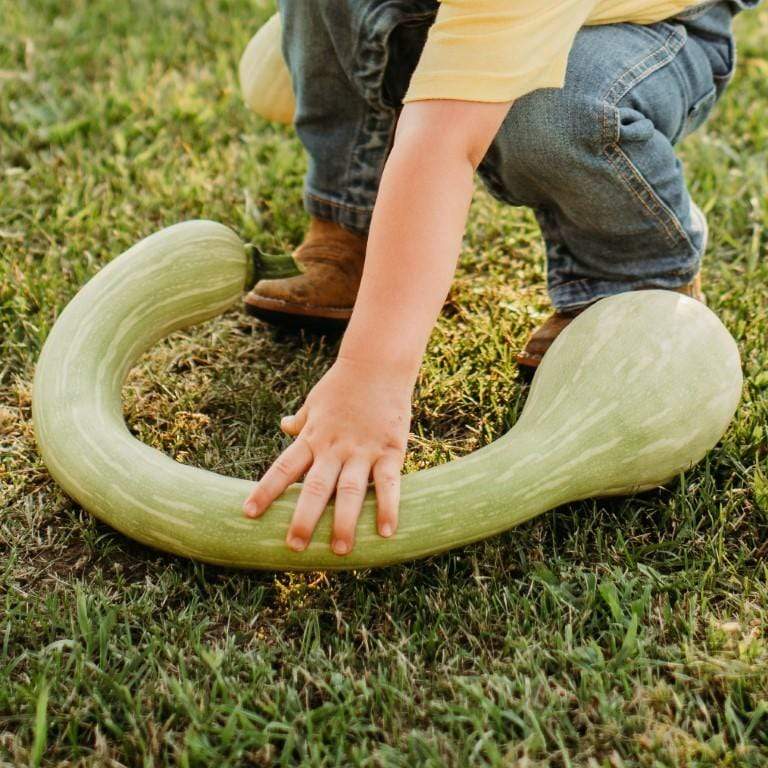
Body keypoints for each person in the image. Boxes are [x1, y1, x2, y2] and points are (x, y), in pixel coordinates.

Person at [241, 0, 760, 555]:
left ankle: (629, 280)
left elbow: (444, 141)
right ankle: (352, 227)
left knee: (550, 109)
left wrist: (372, 374)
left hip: (657, 26)